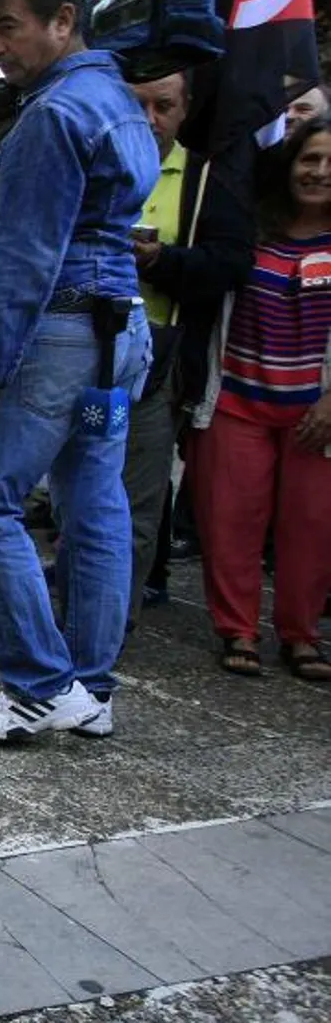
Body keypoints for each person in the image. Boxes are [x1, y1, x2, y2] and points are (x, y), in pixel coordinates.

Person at [0, 0, 158, 743]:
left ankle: (36, 683)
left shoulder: (50, 117)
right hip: (116, 332)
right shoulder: (120, 102)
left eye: (10, 26)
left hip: (57, 334)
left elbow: (28, 264)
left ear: (64, 19)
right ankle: (89, 689)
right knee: (94, 504)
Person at [188, 116, 331, 679]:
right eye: (309, 159)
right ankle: (237, 629)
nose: (319, 172)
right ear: (289, 164)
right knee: (231, 521)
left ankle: (301, 634)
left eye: (329, 163)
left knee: (313, 527)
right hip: (236, 401)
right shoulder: (250, 230)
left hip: (317, 413)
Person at [118, 71, 254, 619]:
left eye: (163, 106)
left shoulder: (206, 180)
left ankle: (105, 625)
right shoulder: (91, 167)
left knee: (135, 502)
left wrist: (162, 261)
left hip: (160, 359)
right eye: (138, 105)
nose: (150, 120)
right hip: (85, 353)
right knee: (73, 494)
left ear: (185, 109)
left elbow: (231, 263)